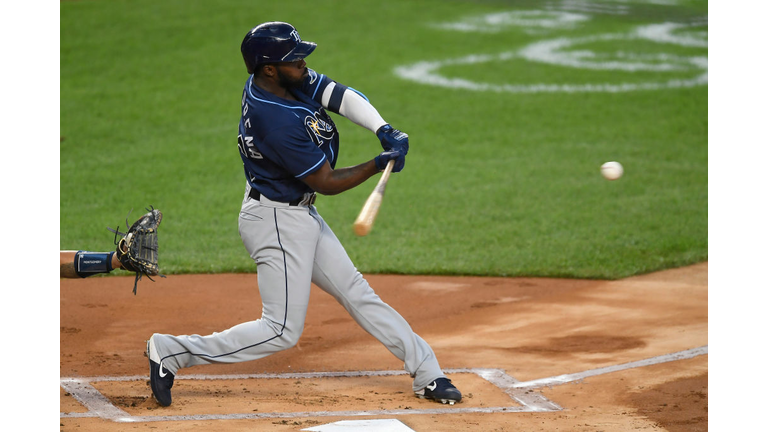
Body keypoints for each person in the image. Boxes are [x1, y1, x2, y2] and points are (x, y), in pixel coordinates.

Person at [145, 21, 461, 407]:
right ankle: (172, 351)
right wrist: (377, 164)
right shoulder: (274, 119)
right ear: (269, 68)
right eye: (295, 60)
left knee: (358, 293)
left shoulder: (282, 79)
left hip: (296, 214)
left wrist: (384, 128)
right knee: (280, 331)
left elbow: (338, 95)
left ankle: (428, 372)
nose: (305, 65)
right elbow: (325, 181)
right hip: (277, 222)